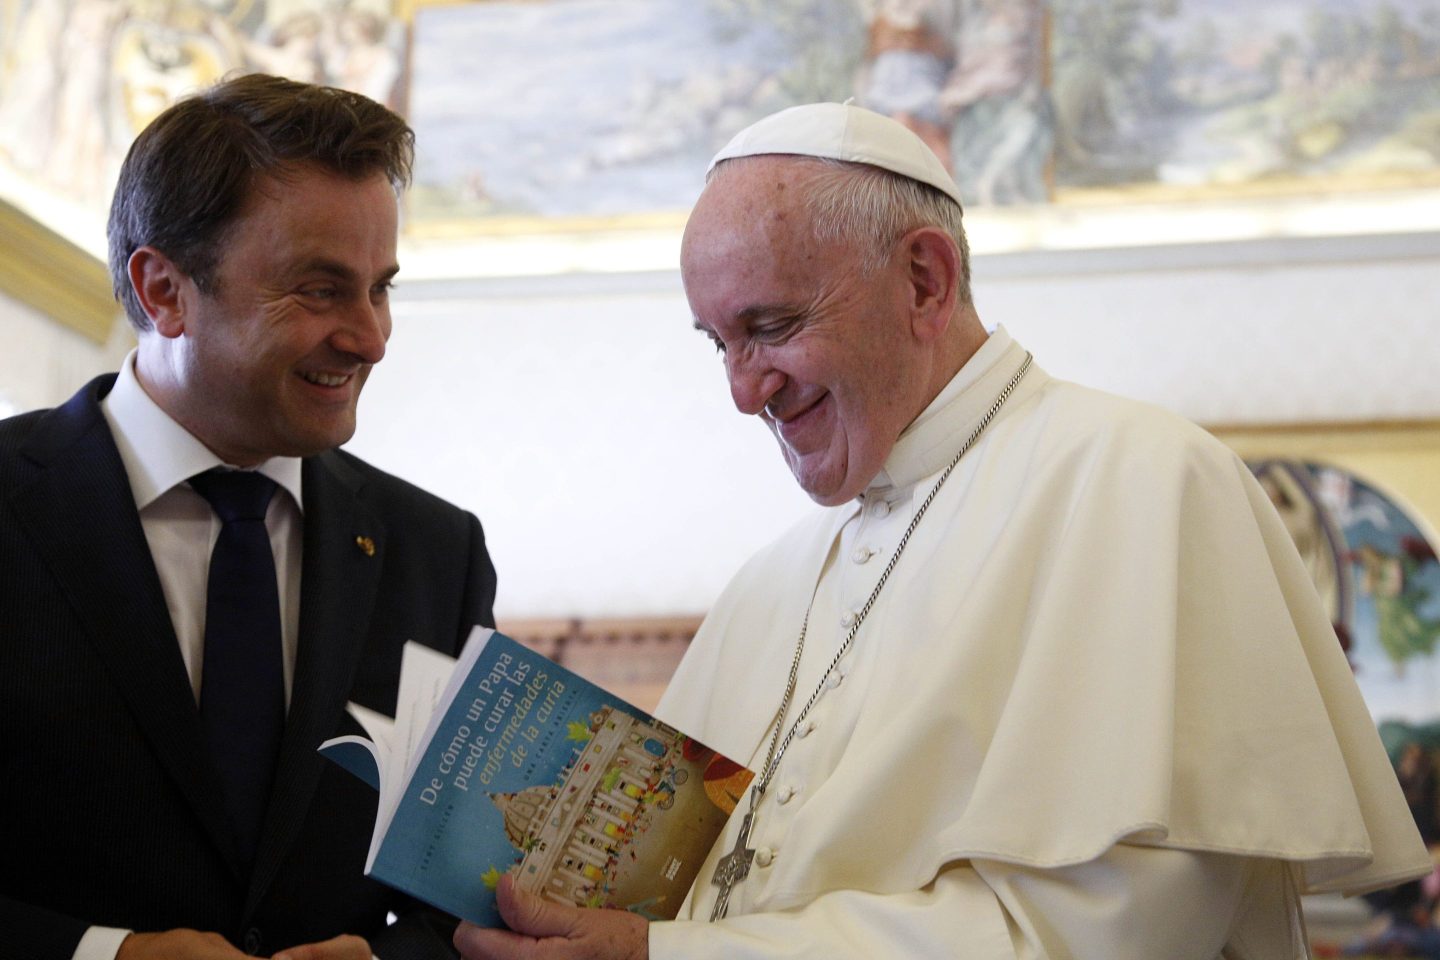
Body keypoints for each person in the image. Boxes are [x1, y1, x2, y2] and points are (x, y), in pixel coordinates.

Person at [452, 102, 1430, 959]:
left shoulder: (1138, 481)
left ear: (925, 279)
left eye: (771, 327)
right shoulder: (770, 583)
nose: (744, 392)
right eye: (719, 344)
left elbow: (1106, 940)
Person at [0, 74, 497, 960]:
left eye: (380, 289)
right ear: (163, 291)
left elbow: (474, 888)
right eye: (319, 289)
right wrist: (103, 954)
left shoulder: (435, 553)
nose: (371, 336)